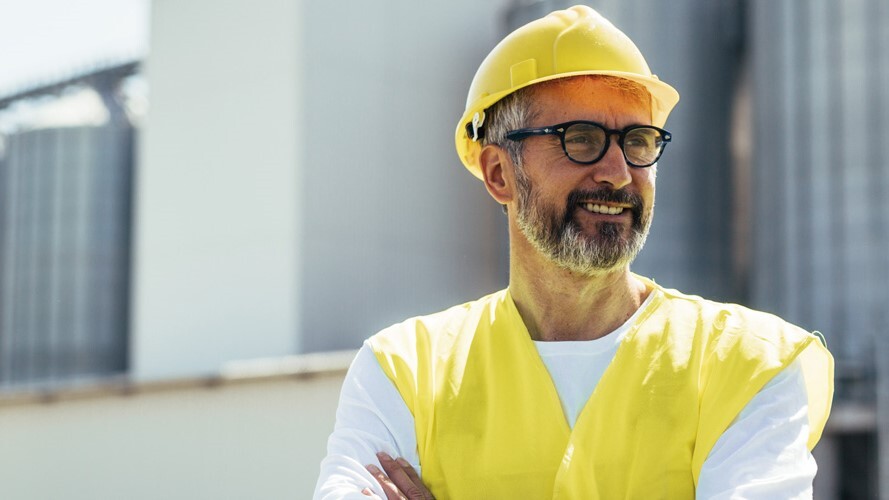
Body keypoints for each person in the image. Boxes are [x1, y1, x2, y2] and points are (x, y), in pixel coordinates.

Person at [315, 5, 833, 499]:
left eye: (638, 140)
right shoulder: (404, 370)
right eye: (580, 139)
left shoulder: (751, 365)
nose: (618, 172)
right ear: (499, 173)